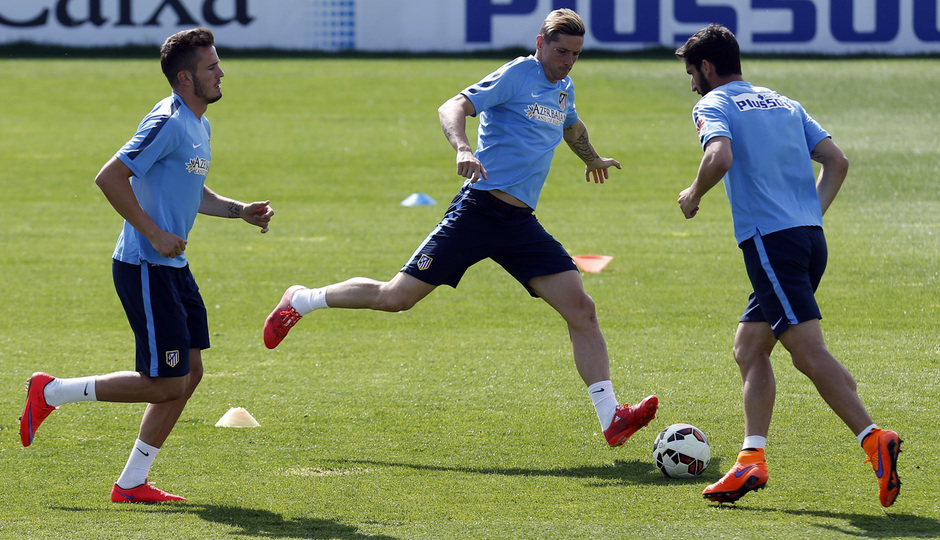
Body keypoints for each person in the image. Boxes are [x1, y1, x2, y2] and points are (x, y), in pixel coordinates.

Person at [264, 9, 658, 448]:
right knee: (396, 298)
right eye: (561, 51)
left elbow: (571, 125)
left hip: (520, 224)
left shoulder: (563, 87)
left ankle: (612, 418)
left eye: (576, 54)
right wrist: (463, 148)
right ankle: (302, 299)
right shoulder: (517, 73)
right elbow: (452, 106)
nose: (568, 61)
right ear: (540, 43)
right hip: (478, 211)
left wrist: (592, 157)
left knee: (582, 311)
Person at [19, 27, 274, 503]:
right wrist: (154, 233)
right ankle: (51, 392)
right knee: (164, 383)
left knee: (190, 373)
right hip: (144, 264)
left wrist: (240, 211)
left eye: (218, 63)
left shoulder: (200, 123)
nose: (222, 73)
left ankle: (132, 482)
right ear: (184, 78)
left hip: (172, 267)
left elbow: (191, 192)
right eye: (211, 67)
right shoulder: (167, 121)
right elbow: (110, 177)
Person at [674, 24, 901, 507]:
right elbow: (836, 161)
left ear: (707, 67)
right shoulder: (783, 102)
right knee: (749, 347)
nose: (692, 83)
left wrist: (693, 195)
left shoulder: (713, 104)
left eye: (692, 73)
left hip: (771, 244)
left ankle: (872, 437)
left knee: (807, 351)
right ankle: (751, 460)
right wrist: (807, 215)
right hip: (808, 238)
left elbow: (719, 155)